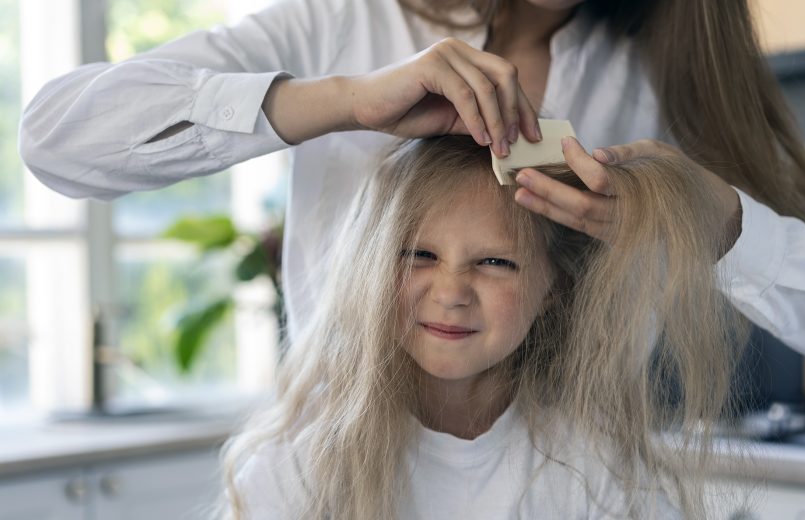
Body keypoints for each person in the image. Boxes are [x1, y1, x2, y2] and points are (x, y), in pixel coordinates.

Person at [18, 0, 805, 354]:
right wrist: (340, 102)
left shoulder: (668, 85)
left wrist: (725, 228)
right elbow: (58, 140)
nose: (454, 290)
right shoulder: (335, 24)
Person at [214, 134, 750, 519]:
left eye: (495, 262)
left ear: (552, 290)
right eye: (420, 255)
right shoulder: (301, 464)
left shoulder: (597, 469)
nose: (451, 292)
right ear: (369, 271)